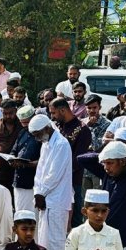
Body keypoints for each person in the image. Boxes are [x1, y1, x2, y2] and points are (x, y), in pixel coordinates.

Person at [29, 114, 72, 250]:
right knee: (44, 242)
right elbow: (41, 172)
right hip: (46, 199)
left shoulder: (61, 145)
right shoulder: (47, 144)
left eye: (38, 134)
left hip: (56, 200)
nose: (37, 139)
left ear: (47, 128)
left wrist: (41, 193)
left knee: (56, 242)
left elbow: (54, 174)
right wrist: (37, 192)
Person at [50, 97, 92, 228]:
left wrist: (60, 174)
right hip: (55, 180)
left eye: (53, 113)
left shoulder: (82, 129)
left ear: (63, 110)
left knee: (74, 220)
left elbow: (78, 159)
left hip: (73, 181)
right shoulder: (57, 127)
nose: (52, 116)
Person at [9, 106, 41, 213]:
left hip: (32, 182)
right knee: (20, 213)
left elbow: (45, 160)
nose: (26, 126)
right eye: (23, 123)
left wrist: (27, 164)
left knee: (32, 216)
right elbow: (14, 150)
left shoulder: (41, 135)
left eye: (27, 122)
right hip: (18, 180)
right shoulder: (22, 132)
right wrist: (12, 159)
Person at [82, 94, 110, 192]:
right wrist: (87, 126)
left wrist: (90, 129)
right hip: (85, 169)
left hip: (99, 168)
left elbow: (98, 146)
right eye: (89, 108)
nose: (92, 110)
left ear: (100, 107)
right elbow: (79, 144)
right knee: (85, 200)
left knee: (98, 199)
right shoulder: (82, 123)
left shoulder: (107, 124)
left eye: (95, 107)